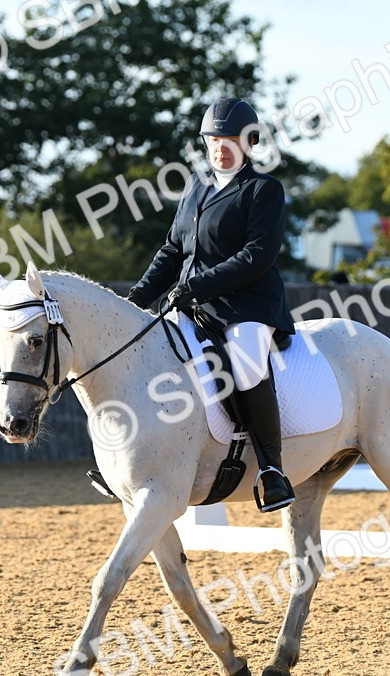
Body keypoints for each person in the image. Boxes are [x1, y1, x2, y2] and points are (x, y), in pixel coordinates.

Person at [126, 98, 296, 512]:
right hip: (191, 304)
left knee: (247, 362)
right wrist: (136, 298)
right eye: (213, 139)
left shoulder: (263, 190)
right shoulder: (196, 189)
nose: (221, 147)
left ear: (249, 143)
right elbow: (171, 251)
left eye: (230, 139)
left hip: (247, 308)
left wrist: (197, 286)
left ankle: (271, 471)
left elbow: (256, 256)